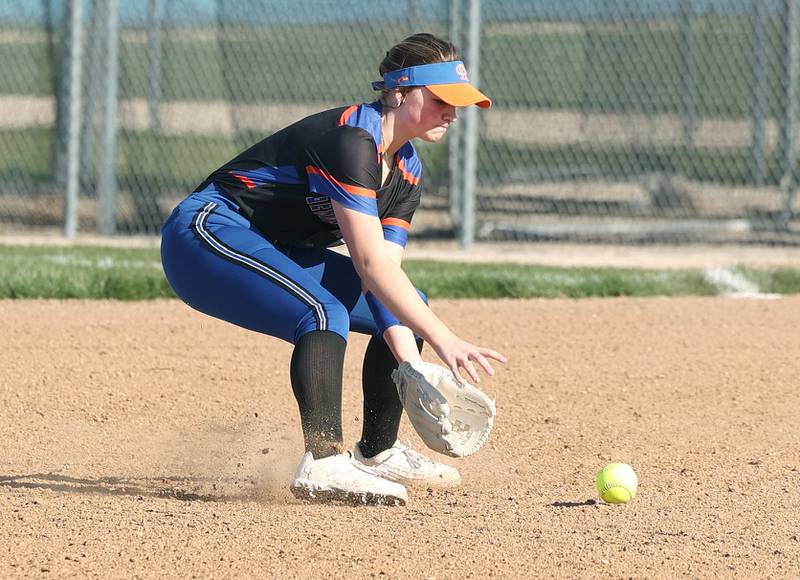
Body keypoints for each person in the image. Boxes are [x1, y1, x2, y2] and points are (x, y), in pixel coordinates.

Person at [160, 33, 507, 505]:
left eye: (459, 103)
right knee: (323, 312)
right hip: (206, 233)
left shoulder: (406, 172)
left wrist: (412, 367)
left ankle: (376, 453)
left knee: (409, 307)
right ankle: (322, 462)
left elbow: (383, 276)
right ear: (400, 92)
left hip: (273, 244)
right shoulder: (351, 141)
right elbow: (366, 262)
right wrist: (445, 340)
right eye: (442, 99)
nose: (452, 112)